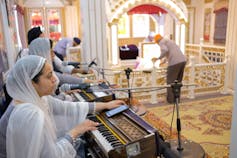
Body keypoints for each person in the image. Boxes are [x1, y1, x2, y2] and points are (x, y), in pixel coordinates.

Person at [1, 55, 124, 158]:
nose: (55, 80)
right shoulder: (31, 114)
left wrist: (106, 105)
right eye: (49, 76)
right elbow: (51, 156)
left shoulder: (39, 99)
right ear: (31, 83)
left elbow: (69, 107)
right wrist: (75, 131)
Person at [28, 37, 99, 85]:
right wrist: (91, 81)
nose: (53, 53)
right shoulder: (40, 73)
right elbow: (61, 77)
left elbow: (62, 67)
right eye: (50, 50)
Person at [152, 34, 186, 104]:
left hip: (174, 63)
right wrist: (163, 61)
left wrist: (158, 58)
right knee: (178, 82)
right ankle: (177, 99)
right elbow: (170, 53)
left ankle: (170, 100)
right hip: (183, 61)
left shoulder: (161, 42)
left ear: (157, 41)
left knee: (170, 82)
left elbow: (165, 50)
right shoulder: (169, 41)